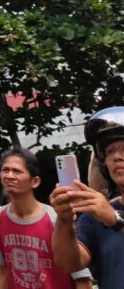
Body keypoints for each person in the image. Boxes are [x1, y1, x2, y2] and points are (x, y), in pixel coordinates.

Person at [0, 147, 91, 289]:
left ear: (35, 181)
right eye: (5, 170)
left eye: (17, 171)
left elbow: (81, 278)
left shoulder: (56, 219)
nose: (9, 176)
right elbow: (0, 270)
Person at [51, 106, 124, 289]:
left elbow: (113, 218)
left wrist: (116, 220)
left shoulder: (107, 213)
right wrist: (64, 221)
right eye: (109, 151)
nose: (116, 156)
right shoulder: (96, 214)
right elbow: (69, 264)